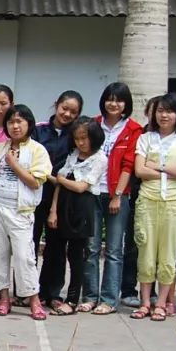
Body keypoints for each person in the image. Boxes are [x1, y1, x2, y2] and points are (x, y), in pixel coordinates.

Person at [0, 105, 52, 321]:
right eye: (11, 122)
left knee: (25, 256)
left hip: (20, 209)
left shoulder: (37, 150)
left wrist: (14, 164)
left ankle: (34, 299)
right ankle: (3, 298)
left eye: (19, 121)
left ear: (29, 124)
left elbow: (35, 181)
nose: (15, 126)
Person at [130, 93, 176, 321]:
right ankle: (145, 302)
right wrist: (170, 168)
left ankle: (162, 304)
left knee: (168, 254)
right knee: (146, 251)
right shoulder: (146, 138)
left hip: (173, 202)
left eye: (169, 111)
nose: (164, 115)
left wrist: (157, 165)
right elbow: (139, 171)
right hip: (148, 201)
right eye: (160, 110)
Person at [88, 82, 143, 314]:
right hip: (91, 192)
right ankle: (89, 296)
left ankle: (109, 299)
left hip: (116, 195)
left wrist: (117, 195)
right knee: (90, 248)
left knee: (113, 250)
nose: (114, 103)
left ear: (126, 104)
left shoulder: (133, 129)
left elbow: (129, 165)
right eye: (110, 99)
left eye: (119, 100)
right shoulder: (94, 123)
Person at [48, 118, 107, 315]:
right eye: (77, 138)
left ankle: (72, 299)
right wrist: (53, 210)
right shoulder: (73, 155)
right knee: (56, 251)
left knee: (77, 256)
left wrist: (61, 180)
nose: (81, 143)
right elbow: (59, 184)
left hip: (82, 208)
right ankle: (52, 293)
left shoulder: (100, 158)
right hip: (63, 205)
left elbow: (82, 186)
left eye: (84, 138)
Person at [34, 90, 84, 307]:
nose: (67, 114)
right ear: (56, 105)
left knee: (56, 246)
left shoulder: (76, 136)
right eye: (64, 108)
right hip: (34, 193)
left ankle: (52, 292)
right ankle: (28, 290)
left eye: (73, 112)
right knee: (30, 244)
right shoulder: (38, 130)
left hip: (61, 196)